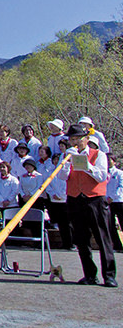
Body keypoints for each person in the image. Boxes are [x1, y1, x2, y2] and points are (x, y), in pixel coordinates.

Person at [57, 123, 117, 287]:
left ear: (86, 139)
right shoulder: (67, 155)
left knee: (102, 237)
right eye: (72, 139)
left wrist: (85, 164)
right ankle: (90, 274)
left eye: (78, 138)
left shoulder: (99, 155)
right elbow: (62, 177)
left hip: (94, 199)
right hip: (75, 199)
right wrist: (67, 162)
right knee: (81, 239)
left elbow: (101, 176)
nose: (75, 142)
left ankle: (109, 275)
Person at [44, 147, 73, 250]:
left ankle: (72, 243)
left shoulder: (65, 171)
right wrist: (53, 194)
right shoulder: (49, 171)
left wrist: (61, 195)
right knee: (61, 224)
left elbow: (67, 184)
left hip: (65, 199)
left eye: (58, 159)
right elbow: (48, 185)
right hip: (54, 200)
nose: (56, 161)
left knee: (68, 223)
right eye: (54, 160)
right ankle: (65, 243)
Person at [106, 154, 123, 252]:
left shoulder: (119, 173)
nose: (108, 162)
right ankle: (117, 246)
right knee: (110, 225)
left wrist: (113, 197)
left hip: (119, 201)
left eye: (110, 160)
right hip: (108, 202)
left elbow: (121, 187)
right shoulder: (104, 173)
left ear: (114, 161)